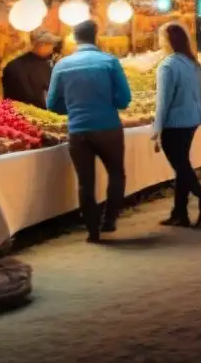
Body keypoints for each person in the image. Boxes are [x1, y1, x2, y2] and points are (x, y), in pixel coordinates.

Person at [47, 20, 131, 243]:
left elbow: (52, 104)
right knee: (116, 173)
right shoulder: (109, 62)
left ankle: (92, 231)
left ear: (75, 38)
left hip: (78, 130)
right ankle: (110, 219)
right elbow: (124, 99)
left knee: (85, 182)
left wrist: (74, 108)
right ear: (97, 36)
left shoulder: (62, 65)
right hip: (108, 128)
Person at [152, 22, 201, 227]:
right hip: (192, 119)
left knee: (181, 165)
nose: (160, 42)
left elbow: (163, 100)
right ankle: (179, 212)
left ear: (168, 41)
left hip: (175, 121)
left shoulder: (168, 65)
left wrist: (157, 128)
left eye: (161, 38)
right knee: (182, 164)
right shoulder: (194, 64)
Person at [2, 28, 59, 108]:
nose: (52, 49)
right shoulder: (44, 66)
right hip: (35, 113)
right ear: (42, 45)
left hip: (14, 113)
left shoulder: (12, 64)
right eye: (51, 45)